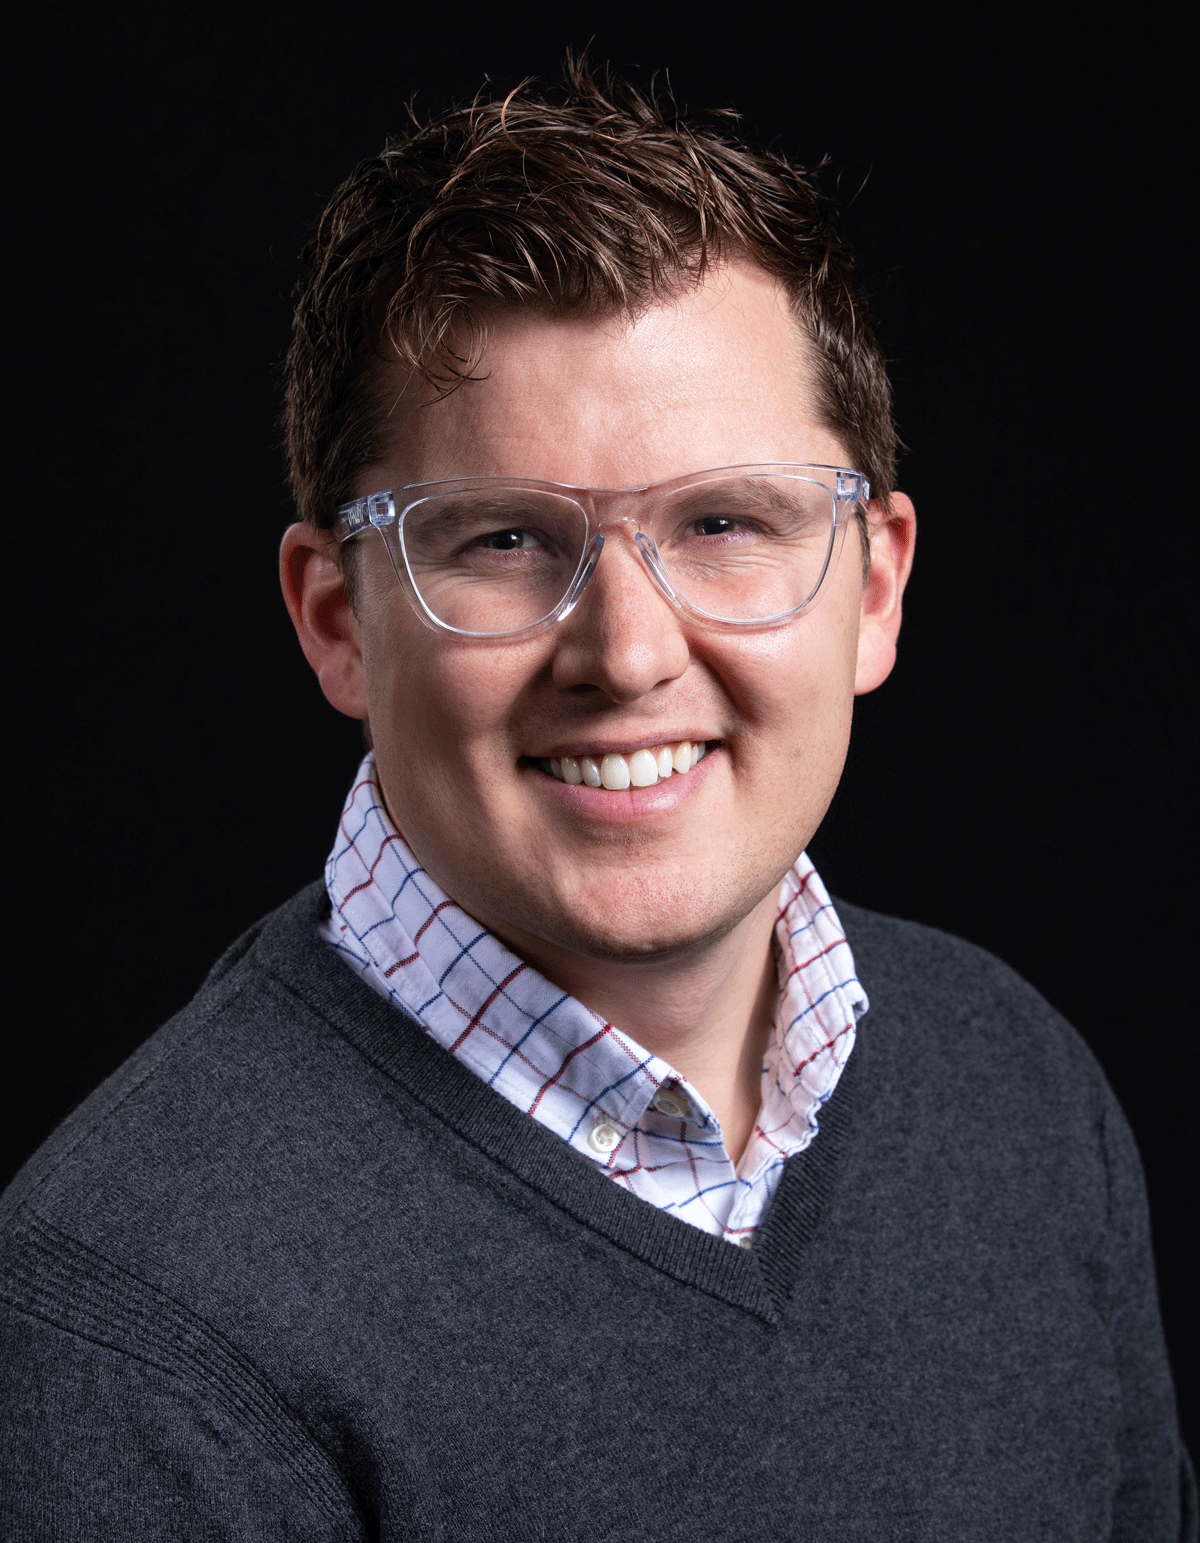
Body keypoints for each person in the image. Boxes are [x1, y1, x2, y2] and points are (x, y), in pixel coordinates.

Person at [1, 58, 1192, 1541]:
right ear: (332, 618)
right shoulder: (134, 1314)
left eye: (724, 522)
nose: (627, 652)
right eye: (501, 538)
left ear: (875, 588)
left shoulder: (1014, 1089)